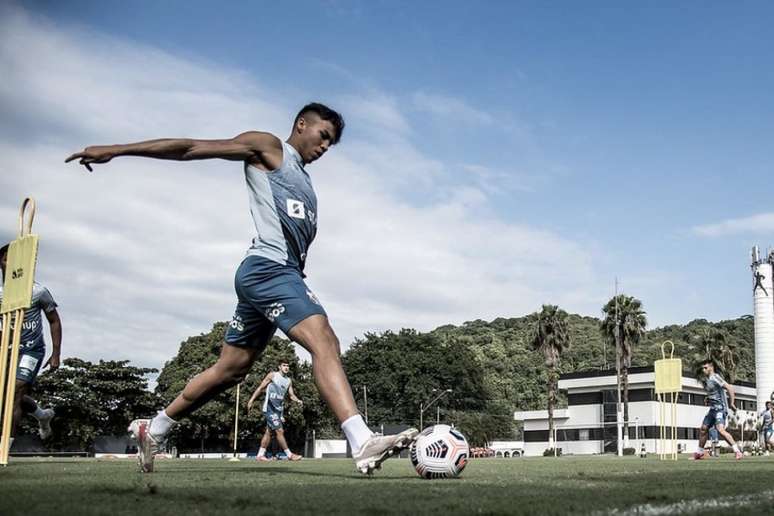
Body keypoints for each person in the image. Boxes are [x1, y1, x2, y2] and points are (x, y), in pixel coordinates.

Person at [66, 103, 417, 474]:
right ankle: (361, 440)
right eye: (323, 136)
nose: (326, 147)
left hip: (272, 276)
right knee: (324, 340)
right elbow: (190, 147)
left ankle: (153, 429)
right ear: (302, 124)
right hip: (268, 270)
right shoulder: (268, 147)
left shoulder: (305, 181)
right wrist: (117, 150)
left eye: (332, 143)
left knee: (230, 370)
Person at [0, 244, 59, 446]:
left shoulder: (37, 291)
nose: (12, 264)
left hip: (31, 350)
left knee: (15, 391)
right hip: (5, 352)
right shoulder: (1, 293)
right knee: (9, 394)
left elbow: (54, 320)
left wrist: (55, 353)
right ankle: (42, 415)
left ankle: (4, 446)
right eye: (7, 259)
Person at [246, 361, 302, 461]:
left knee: (268, 432)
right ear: (279, 367)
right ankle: (290, 455)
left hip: (278, 411)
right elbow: (260, 388)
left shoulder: (288, 380)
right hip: (269, 408)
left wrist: (298, 400)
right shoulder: (272, 375)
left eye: (288, 366)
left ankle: (260, 455)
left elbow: (291, 395)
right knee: (279, 430)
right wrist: (251, 400)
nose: (286, 367)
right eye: (284, 365)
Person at [694, 360, 742, 460]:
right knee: (703, 429)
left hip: (720, 409)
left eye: (705, 368)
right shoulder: (707, 379)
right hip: (712, 409)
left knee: (720, 429)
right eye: (703, 368)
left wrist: (732, 403)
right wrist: (708, 399)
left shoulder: (715, 377)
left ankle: (737, 451)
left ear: (711, 367)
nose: (703, 370)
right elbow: (713, 393)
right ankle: (699, 453)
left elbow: (729, 388)